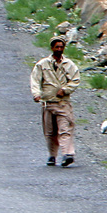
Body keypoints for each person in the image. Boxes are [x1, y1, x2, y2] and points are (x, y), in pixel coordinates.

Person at [30, 34, 81, 167]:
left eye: (61, 47)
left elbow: (75, 80)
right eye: (57, 46)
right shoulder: (42, 64)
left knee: (65, 129)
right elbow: (35, 80)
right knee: (50, 132)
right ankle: (52, 155)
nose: (59, 49)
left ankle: (67, 154)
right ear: (52, 47)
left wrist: (65, 90)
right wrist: (36, 94)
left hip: (62, 104)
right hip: (47, 103)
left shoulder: (69, 64)